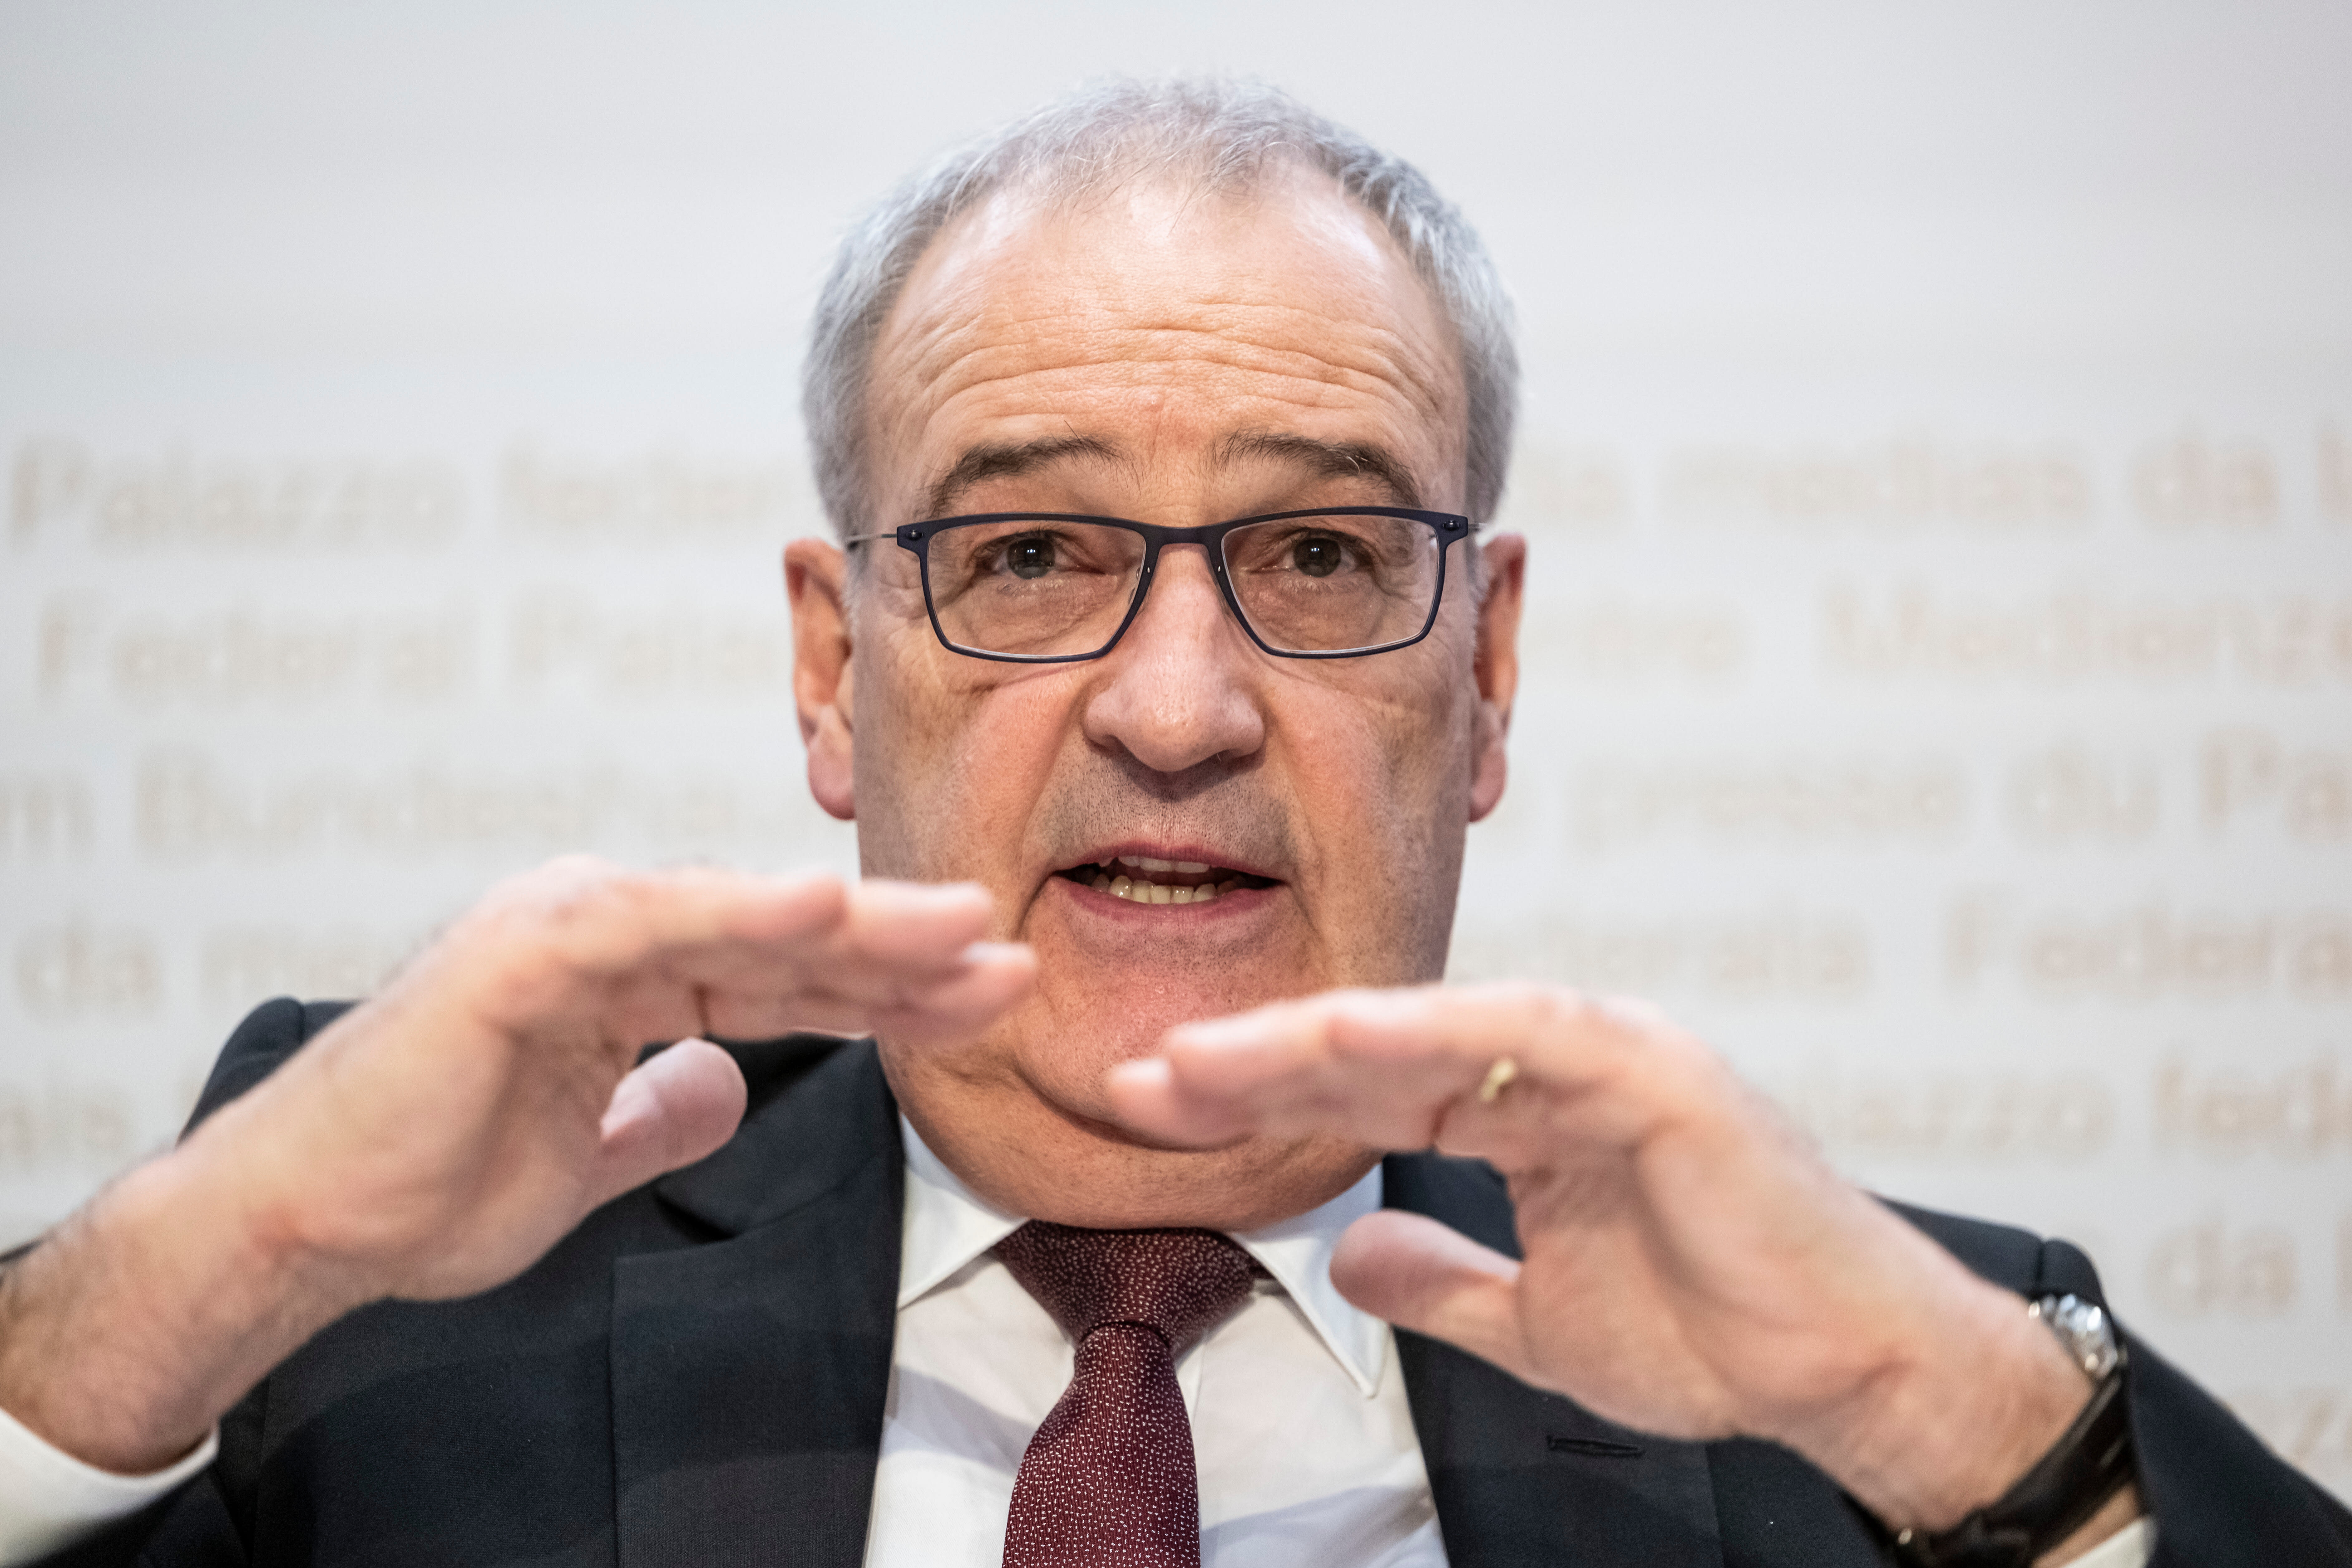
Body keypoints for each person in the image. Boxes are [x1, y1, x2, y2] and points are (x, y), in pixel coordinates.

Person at [0, 79, 2342, 1568]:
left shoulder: (1860, 1384)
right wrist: (185, 1291)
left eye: (1318, 555)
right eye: (1030, 554)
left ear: (1485, 672)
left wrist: (1964, 1428)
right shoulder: (399, 1309)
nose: (1179, 707)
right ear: (831, 669)